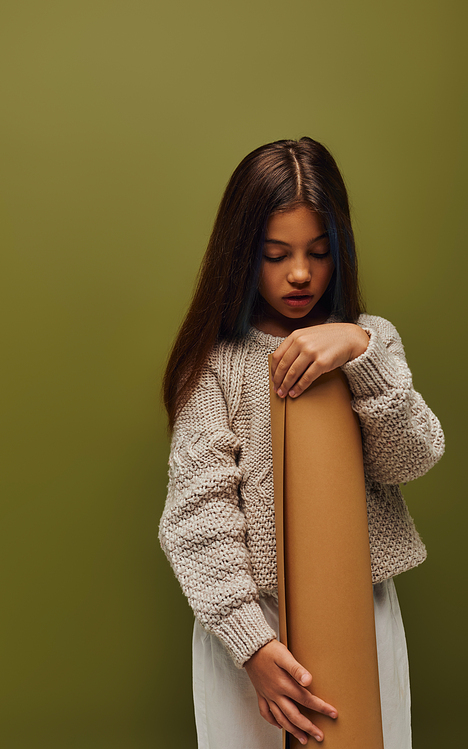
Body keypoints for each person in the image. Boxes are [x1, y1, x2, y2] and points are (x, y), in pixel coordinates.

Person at [159, 137, 444, 749]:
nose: (299, 273)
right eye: (275, 254)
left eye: (319, 253)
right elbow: (197, 516)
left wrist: (360, 353)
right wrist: (251, 645)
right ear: (241, 256)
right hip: (251, 631)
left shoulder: (371, 342)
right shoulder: (216, 366)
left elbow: (413, 455)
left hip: (358, 613)